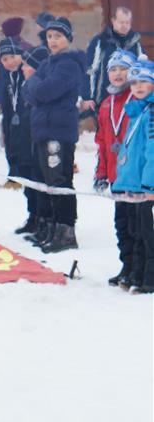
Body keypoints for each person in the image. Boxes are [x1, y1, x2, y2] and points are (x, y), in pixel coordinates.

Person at [21, 16, 87, 253]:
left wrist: (36, 86)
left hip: (58, 131)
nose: (53, 40)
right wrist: (35, 86)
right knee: (45, 180)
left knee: (59, 181)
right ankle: (49, 226)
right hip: (44, 129)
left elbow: (44, 91)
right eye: (49, 36)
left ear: (68, 38)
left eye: (58, 36)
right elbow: (28, 89)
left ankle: (66, 231)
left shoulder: (69, 65)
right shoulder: (48, 63)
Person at [111, 58, 154, 294]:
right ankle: (135, 272)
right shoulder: (137, 110)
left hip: (145, 187)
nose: (138, 87)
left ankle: (149, 277)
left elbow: (152, 151)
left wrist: (150, 185)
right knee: (133, 231)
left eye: (143, 81)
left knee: (147, 234)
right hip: (132, 184)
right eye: (134, 82)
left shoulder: (151, 112)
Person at [93, 50, 135, 286]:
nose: (118, 73)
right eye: (113, 69)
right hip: (116, 176)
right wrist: (101, 173)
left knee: (138, 225)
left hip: (136, 177)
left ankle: (140, 268)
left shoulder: (139, 101)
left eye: (123, 68)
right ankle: (127, 265)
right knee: (122, 224)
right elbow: (101, 142)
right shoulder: (106, 105)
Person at [0, 35, 40, 233]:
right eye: (5, 59)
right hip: (15, 130)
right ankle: (32, 216)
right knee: (25, 177)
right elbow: (2, 98)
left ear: (20, 54)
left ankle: (42, 218)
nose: (10, 62)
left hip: (32, 131)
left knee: (36, 177)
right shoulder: (5, 76)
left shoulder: (29, 72)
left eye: (13, 56)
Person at [81, 6, 144, 114]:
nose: (124, 26)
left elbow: (143, 71)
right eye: (121, 22)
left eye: (127, 22)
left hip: (130, 102)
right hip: (103, 102)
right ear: (113, 21)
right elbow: (89, 70)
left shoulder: (135, 43)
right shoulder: (99, 42)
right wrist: (87, 97)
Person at [18, 45, 51, 244]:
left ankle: (44, 221)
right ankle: (34, 217)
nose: (23, 68)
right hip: (26, 143)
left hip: (39, 143)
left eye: (27, 65)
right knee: (29, 181)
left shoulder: (41, 89)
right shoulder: (26, 85)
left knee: (41, 183)